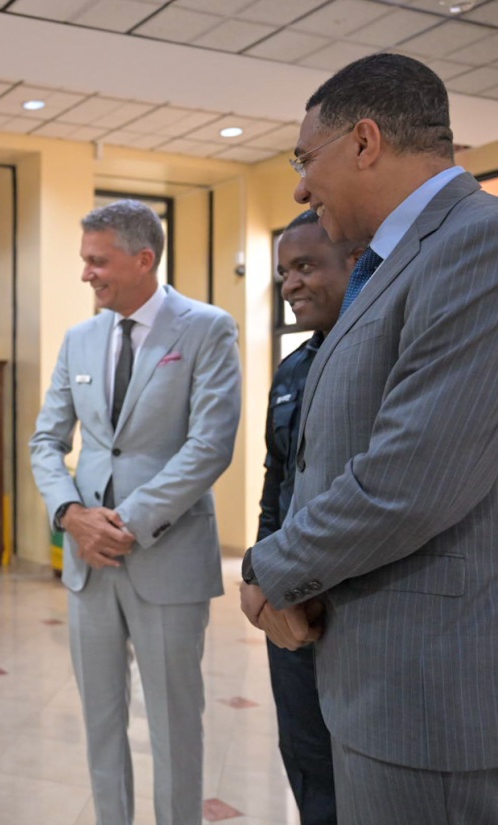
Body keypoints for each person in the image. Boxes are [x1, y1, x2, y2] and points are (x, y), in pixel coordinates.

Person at [241, 53, 498, 824]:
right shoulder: (394, 263)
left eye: (304, 159)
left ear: (364, 141)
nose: (299, 188)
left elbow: (410, 478)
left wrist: (269, 568)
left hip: (427, 694)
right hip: (373, 675)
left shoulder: (474, 245)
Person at [30, 200, 241, 825]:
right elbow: (45, 441)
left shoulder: (207, 328)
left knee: (175, 723)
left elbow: (209, 445)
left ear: (144, 258)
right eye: (84, 260)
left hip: (166, 555)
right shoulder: (80, 339)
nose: (86, 274)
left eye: (98, 261)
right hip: (88, 561)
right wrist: (71, 513)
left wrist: (127, 523)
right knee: (100, 721)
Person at [257, 210, 360, 825]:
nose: (290, 285)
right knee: (306, 759)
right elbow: (277, 486)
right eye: (283, 273)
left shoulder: (382, 359)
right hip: (291, 607)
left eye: (304, 267)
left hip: (355, 606)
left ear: (355, 263)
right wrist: (263, 579)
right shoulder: (293, 369)